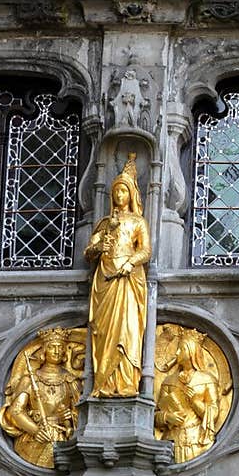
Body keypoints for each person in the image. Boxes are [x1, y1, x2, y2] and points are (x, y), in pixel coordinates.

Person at [85, 154, 151, 398]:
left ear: (130, 194)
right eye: (116, 192)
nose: (119, 196)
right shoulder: (104, 223)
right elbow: (88, 251)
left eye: (123, 191)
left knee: (127, 330)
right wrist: (98, 248)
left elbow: (145, 250)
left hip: (128, 281)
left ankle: (126, 383)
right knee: (104, 333)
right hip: (105, 280)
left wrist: (130, 263)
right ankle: (103, 383)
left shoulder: (138, 222)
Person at [0, 327, 83, 467]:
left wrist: (69, 420)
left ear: (64, 352)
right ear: (44, 351)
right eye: (52, 347)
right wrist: (35, 430)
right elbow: (16, 410)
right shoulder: (30, 379)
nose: (56, 351)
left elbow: (81, 412)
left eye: (60, 347)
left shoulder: (70, 381)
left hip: (62, 437)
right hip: (35, 438)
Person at [154, 327, 230, 463]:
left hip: (196, 442)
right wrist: (167, 417)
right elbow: (155, 415)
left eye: (181, 349)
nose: (177, 352)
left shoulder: (207, 379)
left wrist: (195, 402)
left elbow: (214, 414)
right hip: (170, 442)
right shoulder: (168, 380)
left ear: (191, 351)